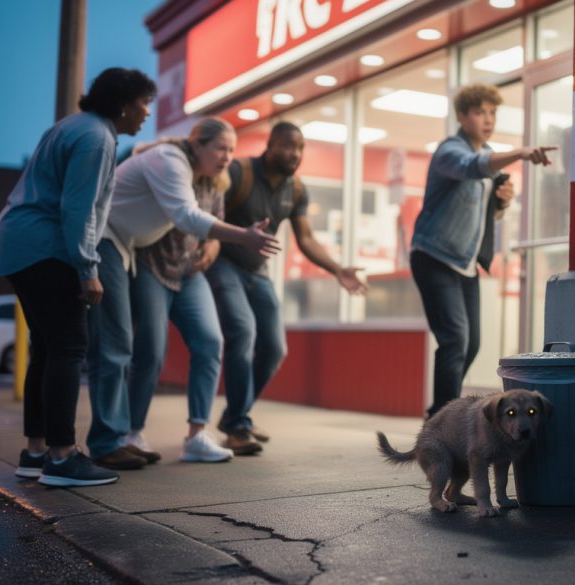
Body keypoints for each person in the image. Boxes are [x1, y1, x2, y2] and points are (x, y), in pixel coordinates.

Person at [0, 67, 156, 487]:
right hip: (43, 247)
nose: (148, 113)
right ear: (122, 104)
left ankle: (36, 452)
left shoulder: (75, 127)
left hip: (19, 243)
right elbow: (78, 210)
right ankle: (62, 458)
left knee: (46, 348)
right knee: (68, 346)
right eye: (143, 103)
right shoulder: (97, 138)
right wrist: (88, 268)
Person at [87, 117, 280, 469]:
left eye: (232, 150)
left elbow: (212, 229)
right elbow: (186, 215)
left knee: (209, 342)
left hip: (191, 273)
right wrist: (243, 236)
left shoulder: (218, 182)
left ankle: (196, 436)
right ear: (198, 145)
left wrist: (212, 249)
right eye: (220, 148)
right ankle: (131, 432)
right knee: (150, 351)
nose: (227, 156)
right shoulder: (170, 162)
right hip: (152, 266)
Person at [205, 121, 368, 455]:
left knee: (275, 347)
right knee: (242, 331)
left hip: (257, 271)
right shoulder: (240, 172)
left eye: (300, 147)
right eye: (287, 146)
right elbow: (209, 213)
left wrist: (337, 270)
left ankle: (237, 415)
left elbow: (306, 238)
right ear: (271, 144)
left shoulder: (296, 189)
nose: (294, 154)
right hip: (224, 264)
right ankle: (236, 426)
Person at [411, 83, 556, 419]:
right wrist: (520, 153)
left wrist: (501, 204)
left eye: (493, 113)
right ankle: (444, 420)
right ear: (462, 116)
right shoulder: (450, 151)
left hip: (464, 263)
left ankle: (439, 412)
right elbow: (472, 166)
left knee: (472, 343)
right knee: (455, 340)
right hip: (433, 256)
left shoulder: (488, 155)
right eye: (480, 112)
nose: (488, 119)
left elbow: (483, 216)